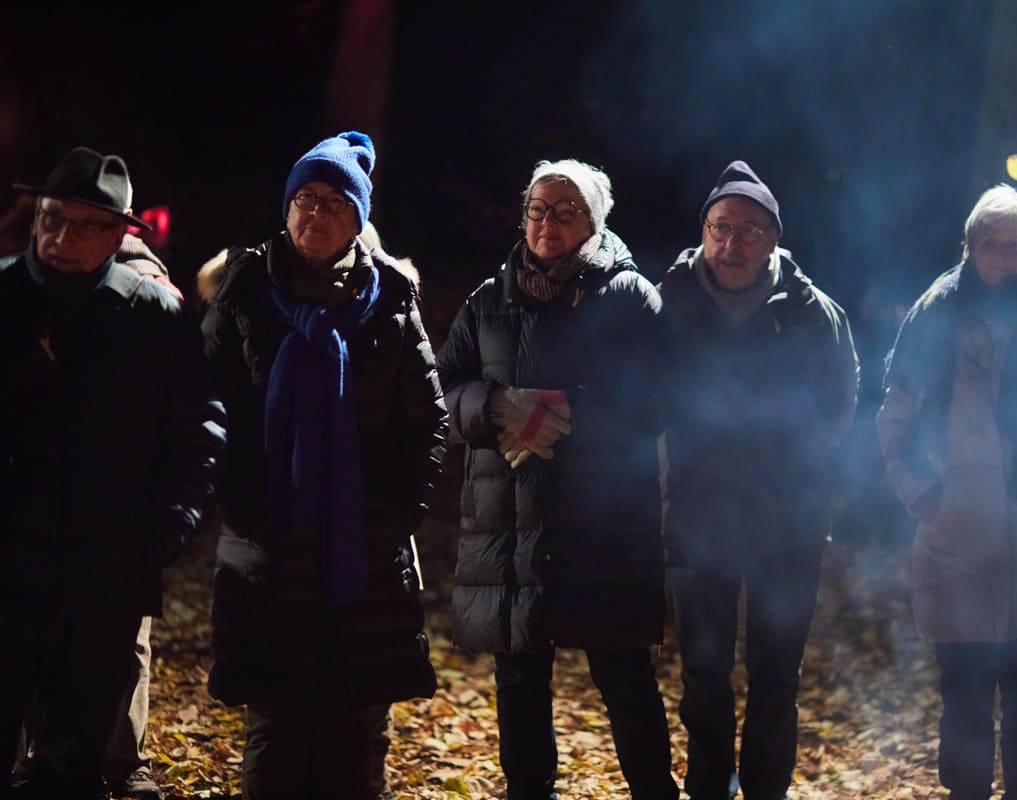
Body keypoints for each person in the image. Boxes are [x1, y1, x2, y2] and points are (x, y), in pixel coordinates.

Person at [200, 131, 446, 800]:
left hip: (363, 556)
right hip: (268, 552)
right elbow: (208, 408)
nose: (315, 213)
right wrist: (245, 508)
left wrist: (391, 521)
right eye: (305, 197)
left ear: (359, 221)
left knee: (356, 732)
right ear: (286, 207)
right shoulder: (246, 292)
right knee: (275, 730)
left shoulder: (391, 302)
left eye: (336, 202)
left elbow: (428, 424)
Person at [436, 158, 678, 800]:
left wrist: (559, 409)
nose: (547, 221)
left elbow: (659, 396)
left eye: (565, 210)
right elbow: (442, 392)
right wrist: (493, 406)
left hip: (603, 522)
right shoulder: (488, 299)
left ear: (594, 223)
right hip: (509, 518)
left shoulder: (631, 298)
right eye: (538, 209)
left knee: (623, 672)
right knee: (519, 678)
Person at [0, 146, 226, 798]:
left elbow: (199, 433)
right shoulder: (6, 294)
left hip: (100, 577)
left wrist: (159, 537)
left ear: (120, 234)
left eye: (84, 225)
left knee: (73, 759)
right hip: (8, 567)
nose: (61, 237)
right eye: (51, 218)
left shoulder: (152, 315)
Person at [657, 160, 859, 800]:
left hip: (788, 523)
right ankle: (708, 788)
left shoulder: (811, 311)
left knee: (778, 675)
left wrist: (802, 470)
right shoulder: (668, 303)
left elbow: (842, 399)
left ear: (773, 238)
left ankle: (766, 790)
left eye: (748, 230)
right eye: (720, 227)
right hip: (696, 516)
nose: (731, 243)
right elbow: (641, 396)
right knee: (704, 673)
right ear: (704, 231)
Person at [878, 185, 1017, 800]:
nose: (997, 254)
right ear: (967, 249)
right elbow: (895, 420)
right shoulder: (932, 320)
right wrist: (923, 497)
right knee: (962, 703)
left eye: (1011, 245)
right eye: (985, 243)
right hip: (956, 535)